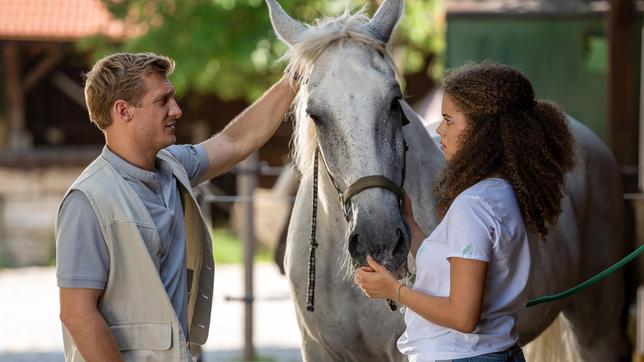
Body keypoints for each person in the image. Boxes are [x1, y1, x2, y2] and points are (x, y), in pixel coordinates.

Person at [55, 52, 297, 361]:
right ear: (123, 111)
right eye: (162, 101)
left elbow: (234, 142)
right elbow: (77, 314)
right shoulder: (87, 200)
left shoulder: (174, 165)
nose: (177, 110)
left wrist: (295, 77)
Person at [355, 62, 575, 362]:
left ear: (482, 130)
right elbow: (453, 270)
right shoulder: (505, 194)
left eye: (448, 120)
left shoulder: (473, 206)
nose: (439, 129)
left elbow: (462, 317)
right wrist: (412, 224)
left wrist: (393, 290)